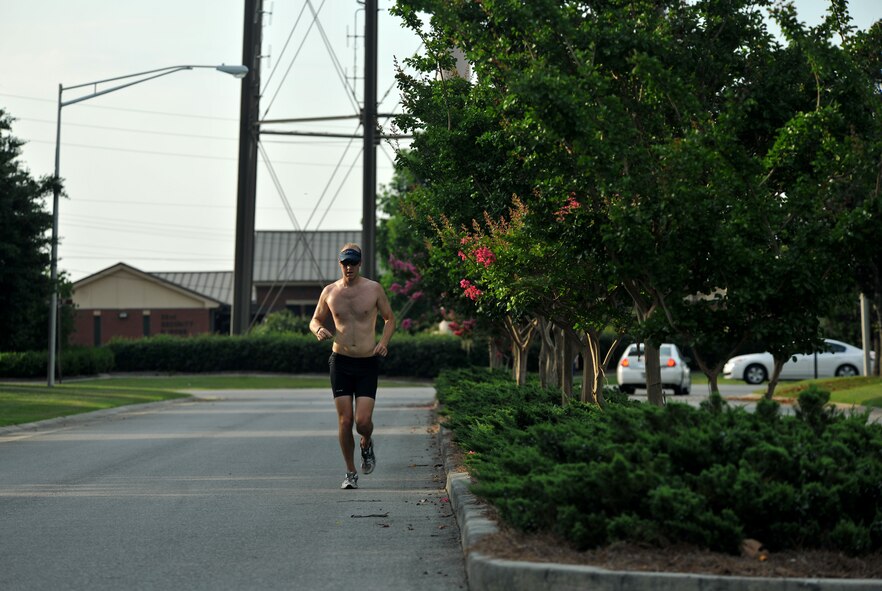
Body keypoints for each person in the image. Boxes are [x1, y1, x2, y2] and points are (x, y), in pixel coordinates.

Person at [310, 243, 395, 490]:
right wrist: (318, 329)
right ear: (340, 264)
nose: (349, 267)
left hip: (368, 362)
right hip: (341, 361)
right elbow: (314, 319)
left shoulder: (373, 289)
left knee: (363, 422)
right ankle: (350, 472)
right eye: (345, 263)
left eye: (354, 263)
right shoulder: (329, 292)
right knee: (345, 421)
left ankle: (366, 442)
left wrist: (383, 343)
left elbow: (390, 319)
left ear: (360, 264)